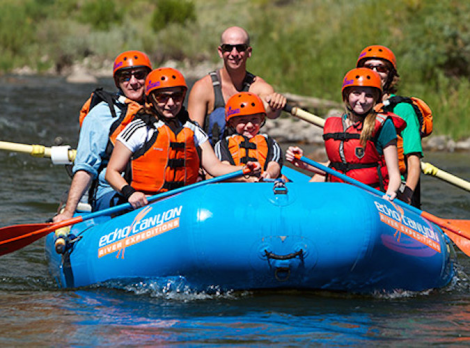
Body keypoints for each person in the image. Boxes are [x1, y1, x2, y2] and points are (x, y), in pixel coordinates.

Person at [105, 67, 261, 209]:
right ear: (151, 99)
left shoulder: (192, 130)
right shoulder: (140, 129)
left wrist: (244, 170)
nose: (171, 103)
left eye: (176, 96)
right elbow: (112, 172)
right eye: (162, 97)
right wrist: (130, 193)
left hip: (183, 204)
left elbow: (215, 167)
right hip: (147, 204)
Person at [53, 50, 152, 222]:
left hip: (152, 186)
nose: (133, 82)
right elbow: (86, 166)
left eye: (139, 75)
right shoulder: (102, 114)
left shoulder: (164, 108)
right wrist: (69, 212)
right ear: (117, 82)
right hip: (112, 191)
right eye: (125, 77)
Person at [286, 68, 405, 200]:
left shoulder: (384, 125)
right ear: (346, 95)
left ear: (376, 98)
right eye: (356, 93)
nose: (362, 100)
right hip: (338, 194)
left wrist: (389, 195)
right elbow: (335, 168)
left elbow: (394, 174)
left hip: (369, 197)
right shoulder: (334, 124)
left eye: (369, 95)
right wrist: (303, 163)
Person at [187, 26, 287, 145]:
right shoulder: (202, 88)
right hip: (211, 160)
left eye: (240, 48)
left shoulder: (259, 87)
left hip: (248, 161)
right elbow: (192, 136)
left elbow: (271, 112)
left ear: (248, 52)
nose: (234, 53)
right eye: (228, 48)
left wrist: (275, 104)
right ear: (221, 52)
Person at [356, 45, 423, 207]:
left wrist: (407, 197)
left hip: (394, 184)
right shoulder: (359, 106)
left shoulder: (403, 109)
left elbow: (413, 163)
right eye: (368, 67)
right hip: (363, 177)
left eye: (381, 68)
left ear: (390, 75)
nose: (374, 72)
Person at [214, 92, 282, 180]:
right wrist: (244, 177)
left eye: (254, 119)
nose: (249, 125)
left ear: (261, 119)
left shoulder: (270, 143)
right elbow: (223, 166)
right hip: (234, 185)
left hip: (263, 183)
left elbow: (274, 164)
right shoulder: (223, 144)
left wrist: (269, 173)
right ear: (232, 122)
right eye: (242, 120)